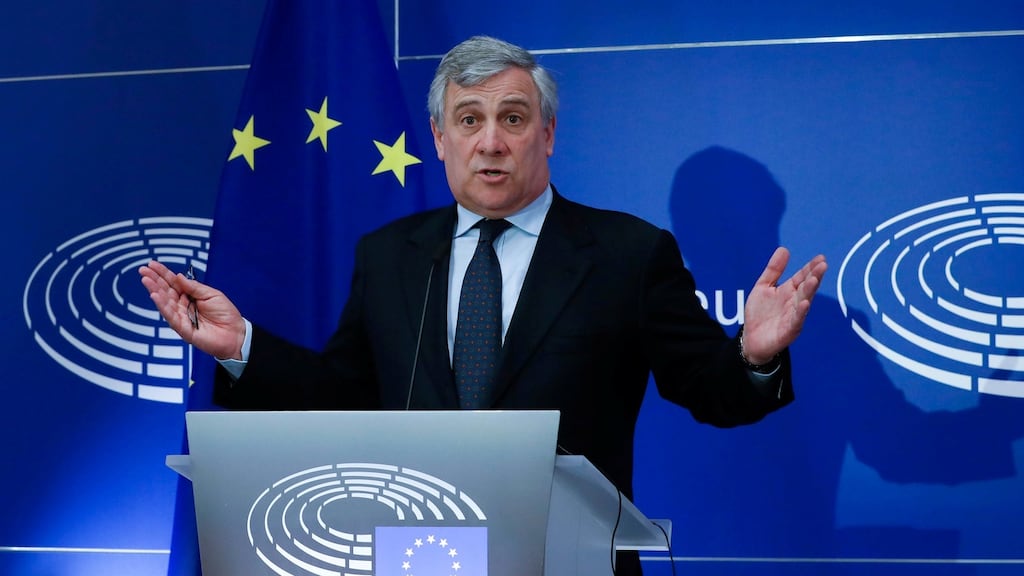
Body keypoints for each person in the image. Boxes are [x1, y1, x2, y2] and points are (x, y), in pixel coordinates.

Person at [140, 35, 828, 575]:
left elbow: (709, 389)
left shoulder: (627, 253)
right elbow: (344, 393)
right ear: (440, 140)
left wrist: (753, 354)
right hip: (413, 561)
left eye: (513, 118)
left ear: (548, 135)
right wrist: (241, 349)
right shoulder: (389, 255)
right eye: (469, 120)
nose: (491, 141)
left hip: (570, 564)